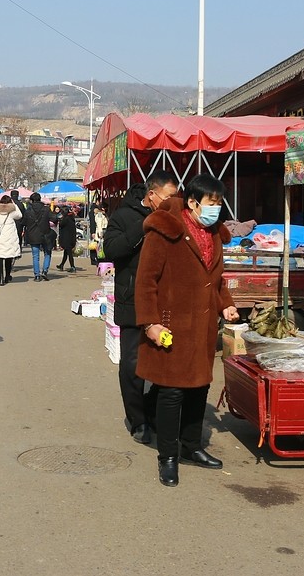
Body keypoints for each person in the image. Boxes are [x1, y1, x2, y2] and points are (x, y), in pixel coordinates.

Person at [135, 173, 239, 487]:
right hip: (171, 324)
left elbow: (215, 280)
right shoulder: (165, 230)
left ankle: (192, 446)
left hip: (203, 325)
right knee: (172, 392)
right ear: (192, 203)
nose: (216, 209)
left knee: (198, 388)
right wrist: (150, 323)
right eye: (211, 203)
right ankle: (168, 456)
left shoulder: (214, 234)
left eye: (219, 203)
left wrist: (225, 305)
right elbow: (145, 281)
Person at [102, 170, 179, 444]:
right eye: (168, 197)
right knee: (132, 364)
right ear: (152, 194)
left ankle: (153, 409)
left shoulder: (175, 217)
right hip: (132, 299)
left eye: (175, 197)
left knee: (168, 360)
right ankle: (138, 420)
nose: (172, 202)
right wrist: (145, 225)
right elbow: (112, 251)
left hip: (165, 301)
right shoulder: (123, 216)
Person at [22, 192, 58, 282]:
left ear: (32, 200)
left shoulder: (28, 210)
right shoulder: (46, 209)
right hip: (45, 234)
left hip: (33, 235)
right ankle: (45, 271)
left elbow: (23, 222)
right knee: (47, 253)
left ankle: (37, 275)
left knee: (35, 256)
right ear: (40, 199)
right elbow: (54, 218)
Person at [0, 195, 22, 286]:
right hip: (10, 238)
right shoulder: (12, 212)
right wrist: (14, 204)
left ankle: (1, 278)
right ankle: (7, 276)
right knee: (8, 257)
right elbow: (20, 215)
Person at [55, 206, 78, 273]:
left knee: (69, 253)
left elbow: (61, 224)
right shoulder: (71, 218)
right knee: (66, 252)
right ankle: (61, 265)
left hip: (67, 238)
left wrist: (60, 219)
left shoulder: (66, 219)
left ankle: (72, 266)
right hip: (71, 238)